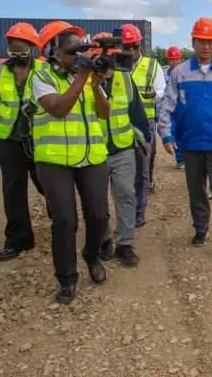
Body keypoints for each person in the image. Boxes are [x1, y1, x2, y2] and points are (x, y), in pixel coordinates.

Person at [32, 21, 110, 303]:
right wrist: (81, 77)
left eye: (81, 49)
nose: (78, 55)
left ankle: (92, 256)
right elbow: (58, 109)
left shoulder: (86, 76)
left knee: (99, 215)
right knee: (65, 220)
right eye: (71, 50)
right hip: (54, 162)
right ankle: (67, 278)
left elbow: (104, 114)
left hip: (91, 157)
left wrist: (95, 84)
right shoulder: (41, 75)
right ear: (52, 50)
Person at [159, 17, 212, 253]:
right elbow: (167, 104)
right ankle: (200, 229)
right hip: (191, 143)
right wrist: (166, 135)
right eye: (201, 41)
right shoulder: (180, 73)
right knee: (196, 190)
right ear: (193, 42)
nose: (206, 46)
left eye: (210, 42)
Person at [0, 22, 47, 260]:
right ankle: (19, 239)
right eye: (12, 49)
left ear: (31, 47)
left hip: (39, 137)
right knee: (13, 188)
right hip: (8, 138)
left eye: (22, 50)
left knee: (47, 183)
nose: (17, 55)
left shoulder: (44, 70)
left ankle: (61, 221)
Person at [91, 33, 151, 267]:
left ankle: (125, 244)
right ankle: (104, 239)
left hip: (123, 148)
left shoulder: (125, 78)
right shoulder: (84, 79)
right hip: (95, 150)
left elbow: (137, 111)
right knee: (98, 202)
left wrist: (144, 139)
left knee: (126, 194)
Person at [121, 24, 165, 227]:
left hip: (144, 122)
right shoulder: (116, 65)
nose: (130, 51)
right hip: (118, 121)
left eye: (133, 46)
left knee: (142, 170)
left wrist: (154, 95)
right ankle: (125, 210)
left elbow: (161, 90)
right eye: (126, 46)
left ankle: (139, 211)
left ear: (139, 45)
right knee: (120, 171)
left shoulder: (152, 65)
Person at [164, 46, 184, 169]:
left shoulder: (185, 74)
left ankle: (185, 158)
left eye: (177, 59)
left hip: (182, 108)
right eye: (172, 59)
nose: (174, 62)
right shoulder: (165, 75)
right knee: (174, 134)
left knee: (183, 133)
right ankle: (180, 159)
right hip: (171, 109)